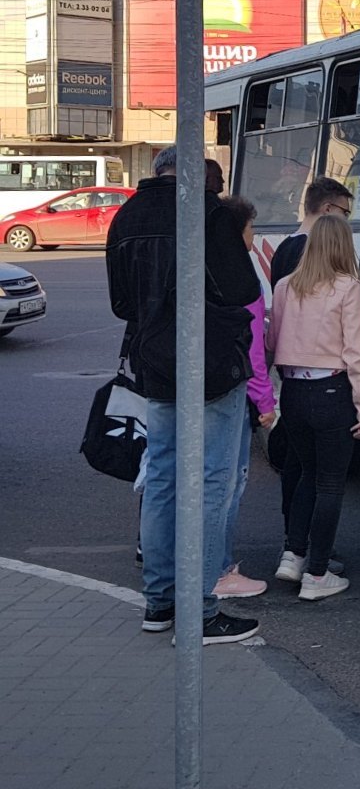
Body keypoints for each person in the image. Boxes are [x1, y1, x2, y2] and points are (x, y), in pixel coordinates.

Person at [106, 146, 261, 644]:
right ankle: (200, 610)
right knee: (213, 481)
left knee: (163, 478)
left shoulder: (127, 216)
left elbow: (120, 303)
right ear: (197, 174)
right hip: (212, 366)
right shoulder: (208, 213)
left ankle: (159, 602)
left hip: (155, 366)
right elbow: (243, 290)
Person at [268, 214, 360, 601]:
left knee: (307, 474)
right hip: (332, 390)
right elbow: (356, 353)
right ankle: (317, 572)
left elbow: (272, 341)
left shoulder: (283, 286)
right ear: (344, 246)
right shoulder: (348, 287)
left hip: (293, 391)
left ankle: (293, 555)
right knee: (331, 482)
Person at [270, 177, 355, 535]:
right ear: (327, 210)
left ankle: (294, 538)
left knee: (296, 463)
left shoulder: (284, 248)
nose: (347, 221)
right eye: (345, 212)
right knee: (318, 475)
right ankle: (307, 545)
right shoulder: (314, 253)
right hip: (323, 379)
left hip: (291, 379)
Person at [212, 195, 274, 600]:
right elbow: (252, 352)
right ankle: (218, 572)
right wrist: (266, 404)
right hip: (231, 391)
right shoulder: (240, 277)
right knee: (227, 484)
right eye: (252, 228)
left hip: (197, 386)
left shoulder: (204, 267)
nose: (255, 236)